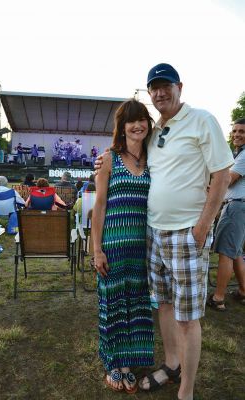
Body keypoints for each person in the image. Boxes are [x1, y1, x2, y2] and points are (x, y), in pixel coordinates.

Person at [95, 64, 234, 400]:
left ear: (179, 87)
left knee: (187, 317)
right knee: (165, 307)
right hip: (153, 237)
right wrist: (105, 161)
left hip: (186, 234)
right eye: (153, 87)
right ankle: (171, 365)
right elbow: (105, 195)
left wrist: (203, 226)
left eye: (165, 86)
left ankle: (185, 390)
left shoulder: (202, 120)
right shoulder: (157, 132)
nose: (160, 93)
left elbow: (222, 174)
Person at [92, 99, 155, 394]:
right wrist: (97, 250)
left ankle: (128, 363)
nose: (138, 124)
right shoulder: (109, 160)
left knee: (136, 306)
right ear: (123, 127)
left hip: (140, 249)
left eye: (142, 118)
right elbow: (100, 206)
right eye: (131, 120)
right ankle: (113, 364)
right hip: (113, 247)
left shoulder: (153, 160)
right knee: (114, 306)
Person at [207, 118, 245, 310]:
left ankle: (218, 298)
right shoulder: (239, 154)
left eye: (242, 132)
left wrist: (207, 185)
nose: (237, 134)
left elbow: (228, 180)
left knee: (225, 252)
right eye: (235, 131)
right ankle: (243, 291)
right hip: (239, 206)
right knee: (236, 252)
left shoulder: (244, 155)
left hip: (236, 206)